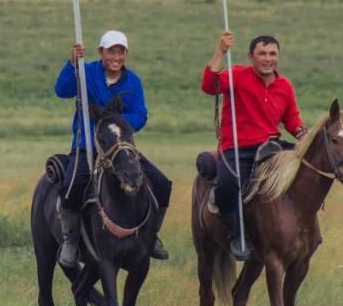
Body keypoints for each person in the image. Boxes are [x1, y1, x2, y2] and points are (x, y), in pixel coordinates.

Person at [52, 30, 173, 268]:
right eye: (111, 51)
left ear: (126, 54)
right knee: (72, 185)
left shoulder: (133, 82)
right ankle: (70, 240)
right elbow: (62, 90)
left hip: (121, 148)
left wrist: (114, 125)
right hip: (87, 144)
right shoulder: (86, 73)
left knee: (161, 183)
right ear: (101, 52)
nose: (116, 57)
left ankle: (151, 235)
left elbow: (140, 114)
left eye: (121, 51)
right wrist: (72, 64)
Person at [201, 31, 306, 261]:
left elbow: (292, 118)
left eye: (272, 54)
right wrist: (220, 51)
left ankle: (305, 231)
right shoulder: (237, 75)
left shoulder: (285, 85)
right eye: (262, 54)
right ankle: (237, 234)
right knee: (229, 184)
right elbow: (209, 86)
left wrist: (303, 135)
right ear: (251, 56)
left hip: (271, 148)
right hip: (238, 147)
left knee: (306, 172)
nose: (268, 58)